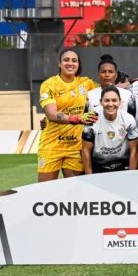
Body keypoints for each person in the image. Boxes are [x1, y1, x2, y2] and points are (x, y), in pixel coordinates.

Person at [38, 49, 100, 181]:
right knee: (44, 191)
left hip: (75, 147)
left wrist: (129, 83)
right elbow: (52, 115)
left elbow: (107, 88)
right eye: (66, 60)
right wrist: (78, 118)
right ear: (59, 64)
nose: (70, 63)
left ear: (78, 64)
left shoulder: (86, 83)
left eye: (74, 60)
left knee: (76, 192)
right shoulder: (49, 85)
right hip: (51, 145)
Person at [81, 86, 138, 173]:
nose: (110, 104)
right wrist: (89, 176)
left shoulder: (128, 119)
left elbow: (134, 150)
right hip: (99, 165)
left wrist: (131, 175)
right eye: (107, 100)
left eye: (114, 100)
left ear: (120, 102)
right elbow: (86, 151)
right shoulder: (92, 120)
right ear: (100, 102)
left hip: (122, 165)